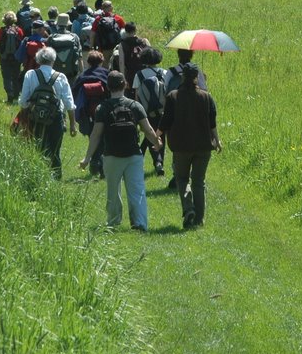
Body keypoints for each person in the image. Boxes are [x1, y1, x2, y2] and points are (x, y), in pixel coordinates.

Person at [80, 71, 161, 230]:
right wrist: (157, 143)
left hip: (111, 156)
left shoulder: (102, 108)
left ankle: (113, 222)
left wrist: (87, 158)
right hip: (134, 155)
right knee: (137, 190)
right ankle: (139, 223)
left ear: (108, 88)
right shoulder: (135, 106)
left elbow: (96, 135)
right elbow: (148, 129)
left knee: (113, 191)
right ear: (125, 85)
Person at [158, 64, 221, 229]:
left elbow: (166, 121)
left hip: (181, 146)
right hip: (204, 146)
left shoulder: (173, 96)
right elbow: (212, 122)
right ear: (197, 78)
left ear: (182, 77)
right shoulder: (206, 97)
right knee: (199, 181)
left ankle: (188, 209)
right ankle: (199, 220)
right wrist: (218, 140)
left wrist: (156, 137)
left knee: (182, 178)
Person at [19, 47, 77, 179]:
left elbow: (23, 101)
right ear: (53, 60)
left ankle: (38, 178)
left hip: (35, 118)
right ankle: (55, 179)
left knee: (38, 148)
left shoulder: (30, 74)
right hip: (56, 119)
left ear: (38, 60)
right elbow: (69, 102)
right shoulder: (60, 77)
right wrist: (72, 124)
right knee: (55, 151)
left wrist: (24, 118)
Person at [72, 50, 110, 178]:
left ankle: (94, 163)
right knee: (104, 139)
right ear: (101, 61)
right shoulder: (106, 74)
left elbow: (74, 95)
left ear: (88, 62)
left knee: (93, 137)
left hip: (87, 113)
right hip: (104, 112)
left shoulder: (82, 77)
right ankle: (104, 167)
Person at [133, 47, 167, 176]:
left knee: (149, 133)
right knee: (160, 134)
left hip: (146, 111)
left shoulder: (139, 74)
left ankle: (157, 161)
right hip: (162, 110)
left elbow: (137, 96)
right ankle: (159, 161)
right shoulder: (164, 72)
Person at [0, 11, 23, 103]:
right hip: (16, 57)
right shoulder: (19, 30)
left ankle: (9, 94)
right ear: (14, 20)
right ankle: (16, 95)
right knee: (16, 75)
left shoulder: (0, 31)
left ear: (4, 20)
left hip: (4, 57)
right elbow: (21, 44)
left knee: (6, 76)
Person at [46, 13, 83, 84]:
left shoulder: (51, 37)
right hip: (71, 72)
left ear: (57, 24)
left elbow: (47, 58)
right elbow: (80, 57)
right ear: (68, 24)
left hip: (55, 73)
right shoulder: (75, 37)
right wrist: (82, 74)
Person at [117, 22, 149, 96]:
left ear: (125, 31)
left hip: (131, 73)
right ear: (135, 30)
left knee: (132, 93)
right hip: (144, 71)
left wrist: (123, 78)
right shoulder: (144, 41)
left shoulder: (122, 44)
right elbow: (150, 55)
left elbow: (121, 62)